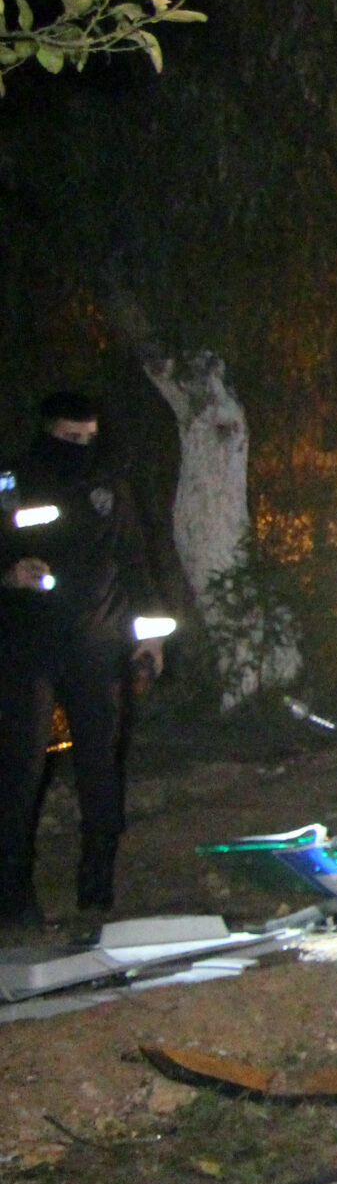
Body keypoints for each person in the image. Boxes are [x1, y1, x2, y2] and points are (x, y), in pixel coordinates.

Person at [0, 392, 172, 926]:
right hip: (28, 646)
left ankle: (95, 891)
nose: (82, 448)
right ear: (47, 431)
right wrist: (7, 575)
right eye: (71, 438)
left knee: (100, 765)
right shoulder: (11, 480)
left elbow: (137, 561)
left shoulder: (110, 486)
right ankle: (13, 897)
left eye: (90, 438)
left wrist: (151, 636)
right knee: (20, 770)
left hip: (98, 646)